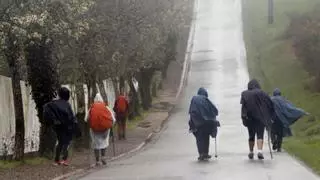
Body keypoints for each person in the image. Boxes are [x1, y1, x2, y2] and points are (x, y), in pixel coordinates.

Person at [43, 87, 79, 166]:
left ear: (59, 94)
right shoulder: (67, 104)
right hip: (67, 127)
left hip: (58, 127)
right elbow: (71, 116)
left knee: (60, 142)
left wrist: (54, 121)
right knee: (66, 143)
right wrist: (74, 125)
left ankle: (57, 160)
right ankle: (64, 160)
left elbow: (47, 110)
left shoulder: (53, 104)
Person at [240, 79, 274, 160]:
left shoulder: (244, 94)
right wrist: (270, 116)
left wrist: (243, 117)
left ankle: (251, 152)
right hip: (260, 118)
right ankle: (259, 151)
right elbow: (270, 104)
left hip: (249, 118)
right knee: (260, 135)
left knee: (251, 135)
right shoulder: (263, 93)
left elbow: (243, 107)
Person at [189, 87, 219, 161]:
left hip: (197, 122)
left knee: (199, 138)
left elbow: (191, 111)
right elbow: (214, 110)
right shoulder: (206, 100)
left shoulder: (194, 99)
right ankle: (206, 153)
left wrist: (192, 122)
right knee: (206, 137)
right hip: (206, 122)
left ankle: (201, 154)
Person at [86, 93, 116, 166]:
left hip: (94, 130)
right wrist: (110, 125)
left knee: (96, 144)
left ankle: (97, 161)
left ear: (94, 100)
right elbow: (113, 119)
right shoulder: (106, 107)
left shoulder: (91, 108)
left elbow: (86, 119)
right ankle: (103, 157)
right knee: (104, 143)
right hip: (105, 130)